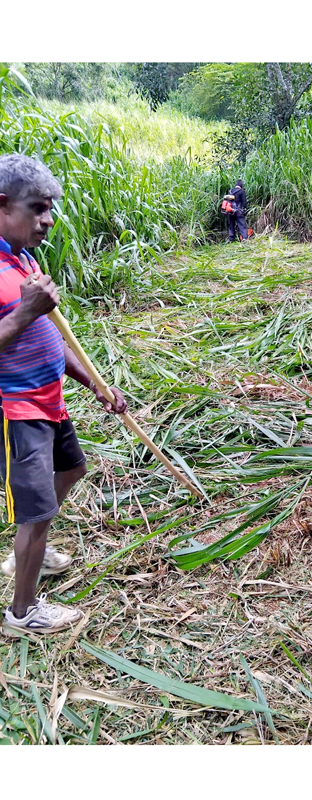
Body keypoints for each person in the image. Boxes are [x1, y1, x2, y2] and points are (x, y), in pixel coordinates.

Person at [0, 154, 127, 636]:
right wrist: (27, 311)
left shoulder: (24, 259)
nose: (48, 220)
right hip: (15, 410)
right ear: (3, 205)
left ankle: (26, 549)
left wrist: (94, 382)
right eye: (37, 208)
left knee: (72, 468)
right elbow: (22, 324)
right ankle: (22, 613)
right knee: (36, 511)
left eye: (49, 208)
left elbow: (55, 337)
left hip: (48, 400)